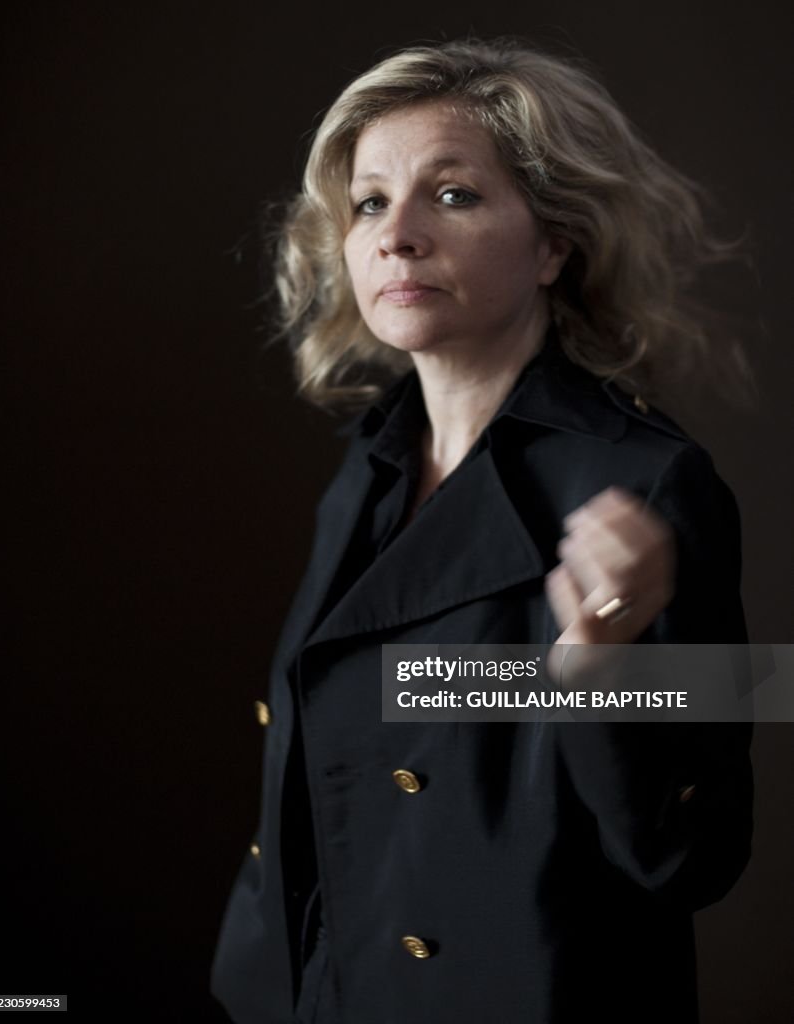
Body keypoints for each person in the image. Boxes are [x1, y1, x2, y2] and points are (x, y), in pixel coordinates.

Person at [211, 38, 753, 1024]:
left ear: (554, 243)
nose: (398, 234)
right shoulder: (370, 462)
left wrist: (594, 670)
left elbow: (698, 850)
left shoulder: (647, 480)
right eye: (370, 201)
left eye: (453, 195)